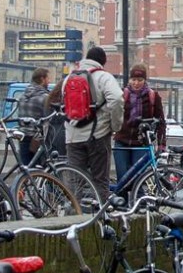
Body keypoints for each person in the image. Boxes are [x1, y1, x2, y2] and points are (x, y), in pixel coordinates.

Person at [64, 47, 123, 204]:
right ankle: (101, 218)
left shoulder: (68, 78)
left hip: (72, 137)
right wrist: (115, 126)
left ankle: (72, 218)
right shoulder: (104, 77)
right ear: (103, 61)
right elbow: (117, 99)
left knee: (75, 181)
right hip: (97, 135)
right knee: (100, 180)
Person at [113, 64, 166, 182]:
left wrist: (161, 143)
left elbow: (161, 122)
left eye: (140, 80)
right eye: (133, 80)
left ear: (145, 80)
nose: (136, 83)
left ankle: (138, 200)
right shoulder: (122, 94)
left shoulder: (153, 96)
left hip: (141, 143)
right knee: (122, 180)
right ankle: (123, 200)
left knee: (138, 180)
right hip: (122, 141)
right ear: (130, 80)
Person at [18, 67, 50, 166]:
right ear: (42, 79)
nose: (49, 81)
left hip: (23, 137)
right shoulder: (45, 98)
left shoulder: (22, 97)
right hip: (37, 140)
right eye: (48, 79)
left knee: (26, 170)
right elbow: (49, 119)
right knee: (40, 171)